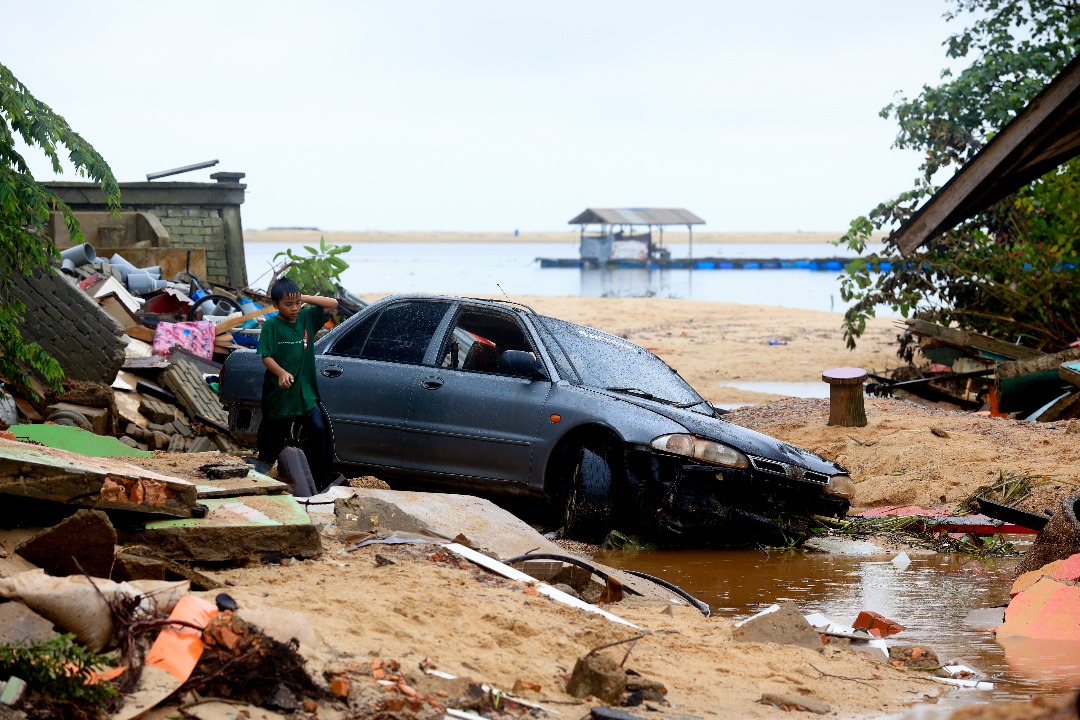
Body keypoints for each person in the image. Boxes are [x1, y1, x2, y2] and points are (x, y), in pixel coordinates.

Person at [256, 277, 339, 488]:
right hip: (280, 396)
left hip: (306, 393)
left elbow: (332, 304)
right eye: (288, 304)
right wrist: (281, 372)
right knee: (273, 439)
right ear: (275, 305)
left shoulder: (306, 318)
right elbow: (266, 356)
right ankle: (265, 477)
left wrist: (302, 298)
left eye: (297, 303)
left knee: (318, 430)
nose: (294, 308)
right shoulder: (272, 326)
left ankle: (317, 481)